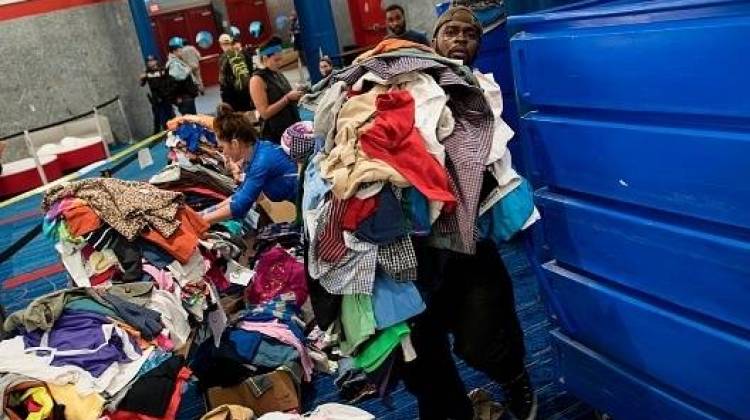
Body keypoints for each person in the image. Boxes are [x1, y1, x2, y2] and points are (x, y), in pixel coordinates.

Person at [398, 6, 537, 420]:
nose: (460, 39)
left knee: (485, 334)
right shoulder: (406, 86)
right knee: (422, 355)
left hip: (468, 241)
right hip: (414, 248)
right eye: (451, 32)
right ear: (435, 40)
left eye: (469, 34)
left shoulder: (482, 94)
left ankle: (515, 380)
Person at [168, 104, 297, 225]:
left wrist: (196, 223)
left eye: (222, 147)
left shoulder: (261, 162)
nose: (223, 153)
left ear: (235, 144)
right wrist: (200, 215)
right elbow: (240, 194)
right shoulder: (258, 150)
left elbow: (240, 205)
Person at [249, 36, 302, 143]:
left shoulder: (277, 73)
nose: (280, 63)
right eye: (276, 60)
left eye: (281, 58)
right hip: (274, 135)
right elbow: (264, 113)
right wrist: (287, 98)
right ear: (264, 59)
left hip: (290, 128)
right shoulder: (257, 80)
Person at [140, 55, 175, 134]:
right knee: (158, 117)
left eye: (152, 61)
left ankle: (173, 130)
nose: (151, 63)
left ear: (156, 61)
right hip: (156, 99)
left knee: (169, 115)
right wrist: (142, 78)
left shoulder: (163, 70)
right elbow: (142, 84)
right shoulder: (147, 73)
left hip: (165, 96)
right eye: (149, 62)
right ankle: (159, 133)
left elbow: (169, 82)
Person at [218, 34, 254, 112]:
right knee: (247, 113)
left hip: (231, 92)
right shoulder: (241, 54)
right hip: (244, 89)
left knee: (236, 115)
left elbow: (223, 78)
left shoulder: (224, 57)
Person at [166, 38, 199, 115]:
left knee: (192, 118)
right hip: (184, 96)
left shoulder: (177, 61)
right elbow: (178, 77)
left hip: (186, 95)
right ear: (174, 51)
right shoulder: (174, 63)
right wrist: (188, 70)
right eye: (180, 50)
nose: (182, 52)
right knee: (190, 118)